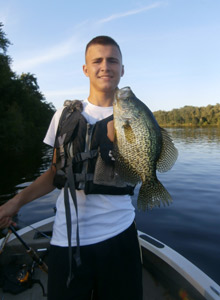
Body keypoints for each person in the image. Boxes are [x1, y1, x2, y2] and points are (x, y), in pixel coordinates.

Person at [0, 36, 143, 300]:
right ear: (85, 69)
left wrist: (115, 145)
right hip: (67, 240)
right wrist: (14, 203)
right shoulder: (64, 116)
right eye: (97, 60)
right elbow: (55, 173)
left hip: (119, 234)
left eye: (112, 60)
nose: (105, 66)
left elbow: (135, 173)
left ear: (122, 69)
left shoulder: (135, 117)